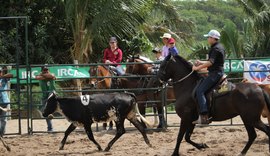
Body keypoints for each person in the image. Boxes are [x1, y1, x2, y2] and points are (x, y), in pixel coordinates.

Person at [192, 29, 225, 125]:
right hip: (217, 72)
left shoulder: (215, 49)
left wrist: (197, 68)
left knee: (200, 91)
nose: (207, 39)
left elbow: (210, 62)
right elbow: (211, 61)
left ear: (213, 38)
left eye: (209, 37)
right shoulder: (219, 47)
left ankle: (204, 115)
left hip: (215, 73)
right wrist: (201, 62)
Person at [35, 65, 56, 131]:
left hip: (52, 94)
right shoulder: (40, 76)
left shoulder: (51, 74)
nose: (46, 71)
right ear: (42, 71)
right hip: (44, 96)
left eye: (47, 70)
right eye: (44, 70)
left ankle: (49, 112)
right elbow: (37, 77)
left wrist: (43, 75)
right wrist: (45, 76)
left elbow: (52, 76)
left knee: (49, 99)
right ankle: (50, 128)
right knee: (44, 112)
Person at [0, 66, 13, 136]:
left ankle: (1, 133)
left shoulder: (4, 79)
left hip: (4, 101)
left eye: (0, 72)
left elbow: (11, 75)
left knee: (4, 119)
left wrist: (2, 76)